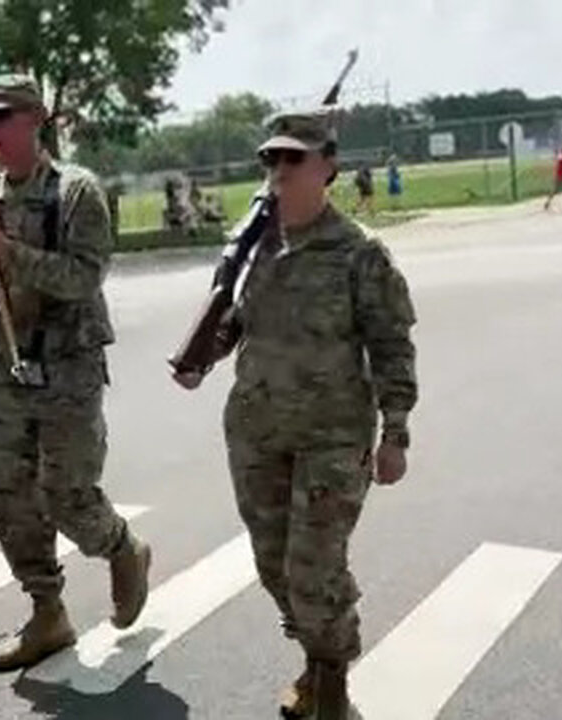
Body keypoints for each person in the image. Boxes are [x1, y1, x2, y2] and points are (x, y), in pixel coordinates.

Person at [173, 112, 418, 719]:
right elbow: (237, 318)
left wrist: (396, 434)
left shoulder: (360, 254)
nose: (279, 171)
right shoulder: (256, 243)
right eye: (271, 161)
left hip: (332, 437)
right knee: (273, 565)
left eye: (293, 159)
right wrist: (205, 353)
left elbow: (391, 345)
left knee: (314, 569)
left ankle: (332, 679)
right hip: (257, 431)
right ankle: (316, 658)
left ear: (327, 167)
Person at [0, 74, 152, 671]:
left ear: (35, 119)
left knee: (67, 494)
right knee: (6, 482)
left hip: (69, 361)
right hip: (11, 357)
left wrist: (10, 252)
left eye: (1, 117)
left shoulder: (77, 191)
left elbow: (84, 278)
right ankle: (46, 610)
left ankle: (120, 547)